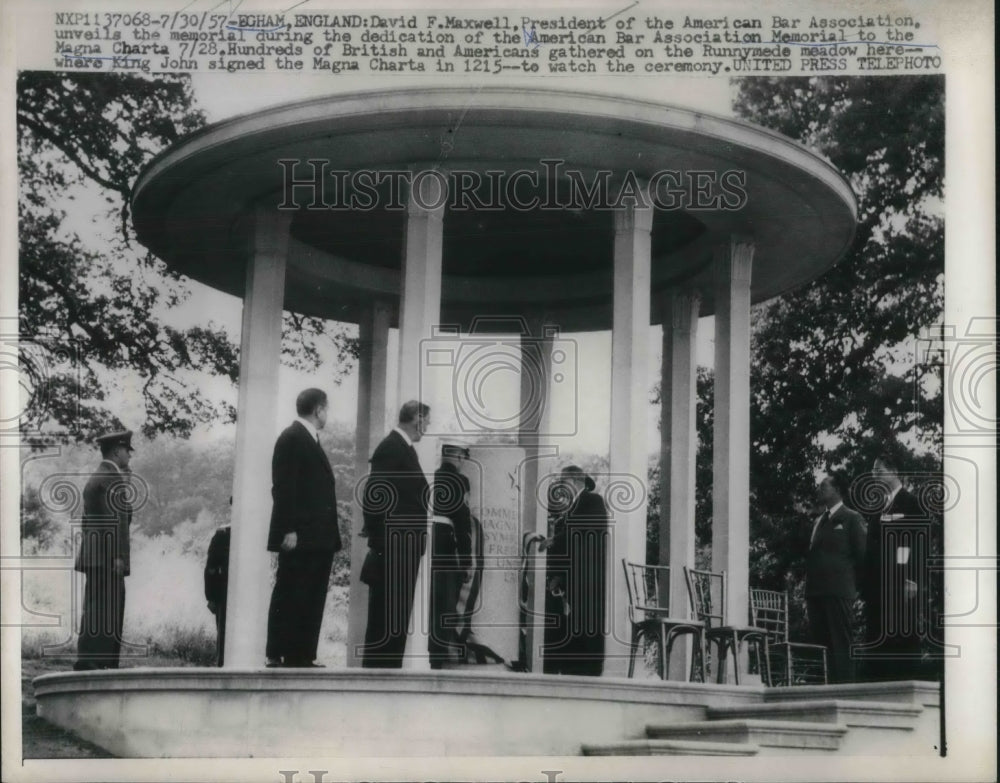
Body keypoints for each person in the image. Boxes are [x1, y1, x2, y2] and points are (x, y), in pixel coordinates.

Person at [265, 388, 342, 668]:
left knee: (310, 593)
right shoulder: (293, 438)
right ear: (318, 409)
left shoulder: (307, 439)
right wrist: (289, 529)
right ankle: (283, 652)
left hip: (316, 537)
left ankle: (302, 653)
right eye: (326, 409)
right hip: (302, 536)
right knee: (293, 590)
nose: (327, 414)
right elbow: (284, 487)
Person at [360, 400, 431, 668]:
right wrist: (382, 541)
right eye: (427, 422)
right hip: (394, 550)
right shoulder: (392, 447)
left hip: (404, 550)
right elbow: (374, 495)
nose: (428, 428)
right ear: (417, 418)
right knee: (387, 620)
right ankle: (377, 679)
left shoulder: (404, 449)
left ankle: (387, 676)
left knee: (396, 618)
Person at [859, 451, 934, 681]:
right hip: (877, 588)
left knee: (901, 634)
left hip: (901, 584)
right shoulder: (878, 508)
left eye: (879, 471)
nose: (874, 476)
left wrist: (912, 578)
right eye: (872, 471)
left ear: (894, 472)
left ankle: (907, 686)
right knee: (877, 637)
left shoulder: (910, 503)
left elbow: (916, 542)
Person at [74, 429, 135, 671]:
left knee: (95, 607)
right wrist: (118, 556)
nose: (129, 457)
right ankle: (100, 662)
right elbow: (118, 519)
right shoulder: (112, 478)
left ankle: (90, 658)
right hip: (108, 556)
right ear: (117, 451)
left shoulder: (97, 476)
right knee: (108, 608)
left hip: (95, 554)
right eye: (127, 452)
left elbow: (88, 521)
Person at [542, 465, 610, 676]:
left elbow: (580, 532)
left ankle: (586, 673)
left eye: (563, 483)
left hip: (587, 578)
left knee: (586, 626)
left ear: (571, 482)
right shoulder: (572, 508)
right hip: (572, 578)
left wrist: (553, 541)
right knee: (571, 627)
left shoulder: (592, 501)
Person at [805, 474, 866, 683]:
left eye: (824, 486)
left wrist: (854, 588)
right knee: (821, 646)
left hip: (840, 591)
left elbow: (862, 556)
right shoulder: (818, 521)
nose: (819, 489)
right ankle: (826, 691)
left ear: (837, 490)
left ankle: (846, 692)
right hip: (815, 593)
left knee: (842, 644)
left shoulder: (852, 518)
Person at [428, 455, 473, 669]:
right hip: (446, 552)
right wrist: (465, 563)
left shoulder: (431, 475)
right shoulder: (459, 481)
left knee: (426, 606)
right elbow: (463, 527)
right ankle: (437, 657)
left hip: (426, 547)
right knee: (444, 607)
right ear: (457, 457)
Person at [204, 520, 231, 667]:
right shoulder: (223, 534)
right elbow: (211, 568)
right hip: (224, 593)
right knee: (224, 637)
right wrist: (211, 597)